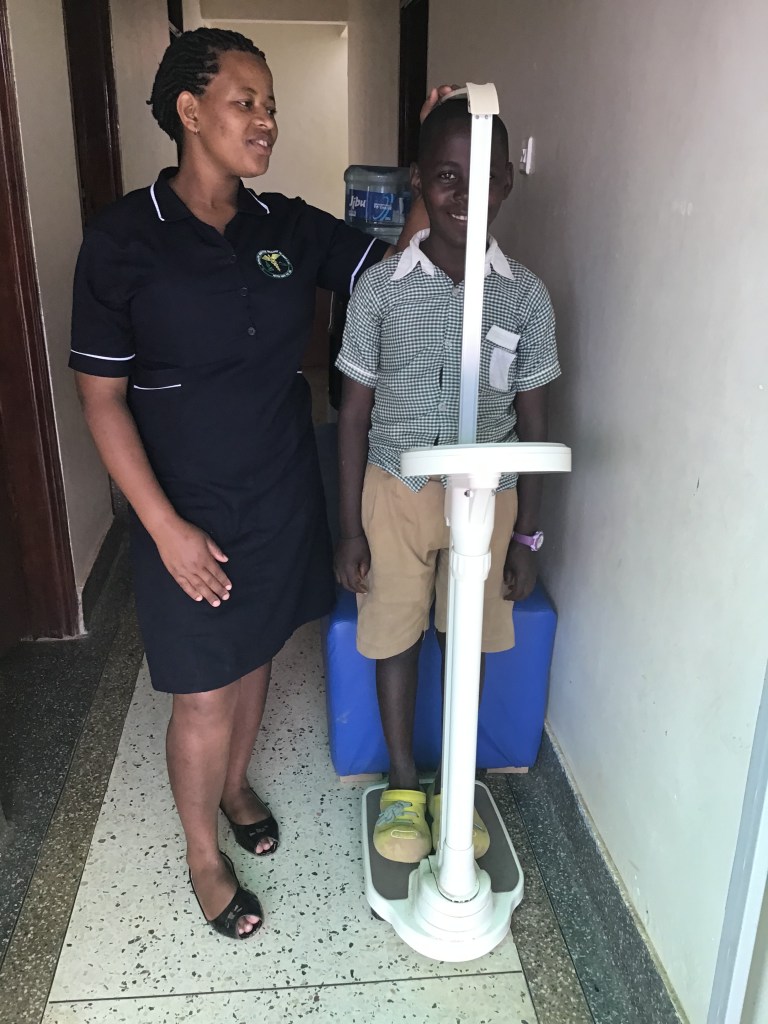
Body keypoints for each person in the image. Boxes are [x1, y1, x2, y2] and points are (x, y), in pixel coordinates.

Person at [71, 27, 443, 938]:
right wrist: (164, 530)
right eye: (246, 102)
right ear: (189, 111)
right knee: (203, 687)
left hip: (279, 484)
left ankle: (236, 786)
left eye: (271, 105)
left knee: (259, 647)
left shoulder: (286, 225)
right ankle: (203, 852)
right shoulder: (123, 239)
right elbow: (102, 400)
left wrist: (429, 172)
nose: (266, 119)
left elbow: (393, 270)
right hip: (182, 501)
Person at [334, 95, 561, 864]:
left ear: (507, 183)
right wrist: (349, 528)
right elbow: (353, 415)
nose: (464, 194)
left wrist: (528, 536)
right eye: (445, 176)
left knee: (467, 639)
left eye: (483, 176)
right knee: (396, 634)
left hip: (488, 500)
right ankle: (403, 782)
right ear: (417, 182)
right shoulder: (381, 291)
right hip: (395, 495)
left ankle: (457, 784)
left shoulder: (525, 296)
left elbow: (535, 424)